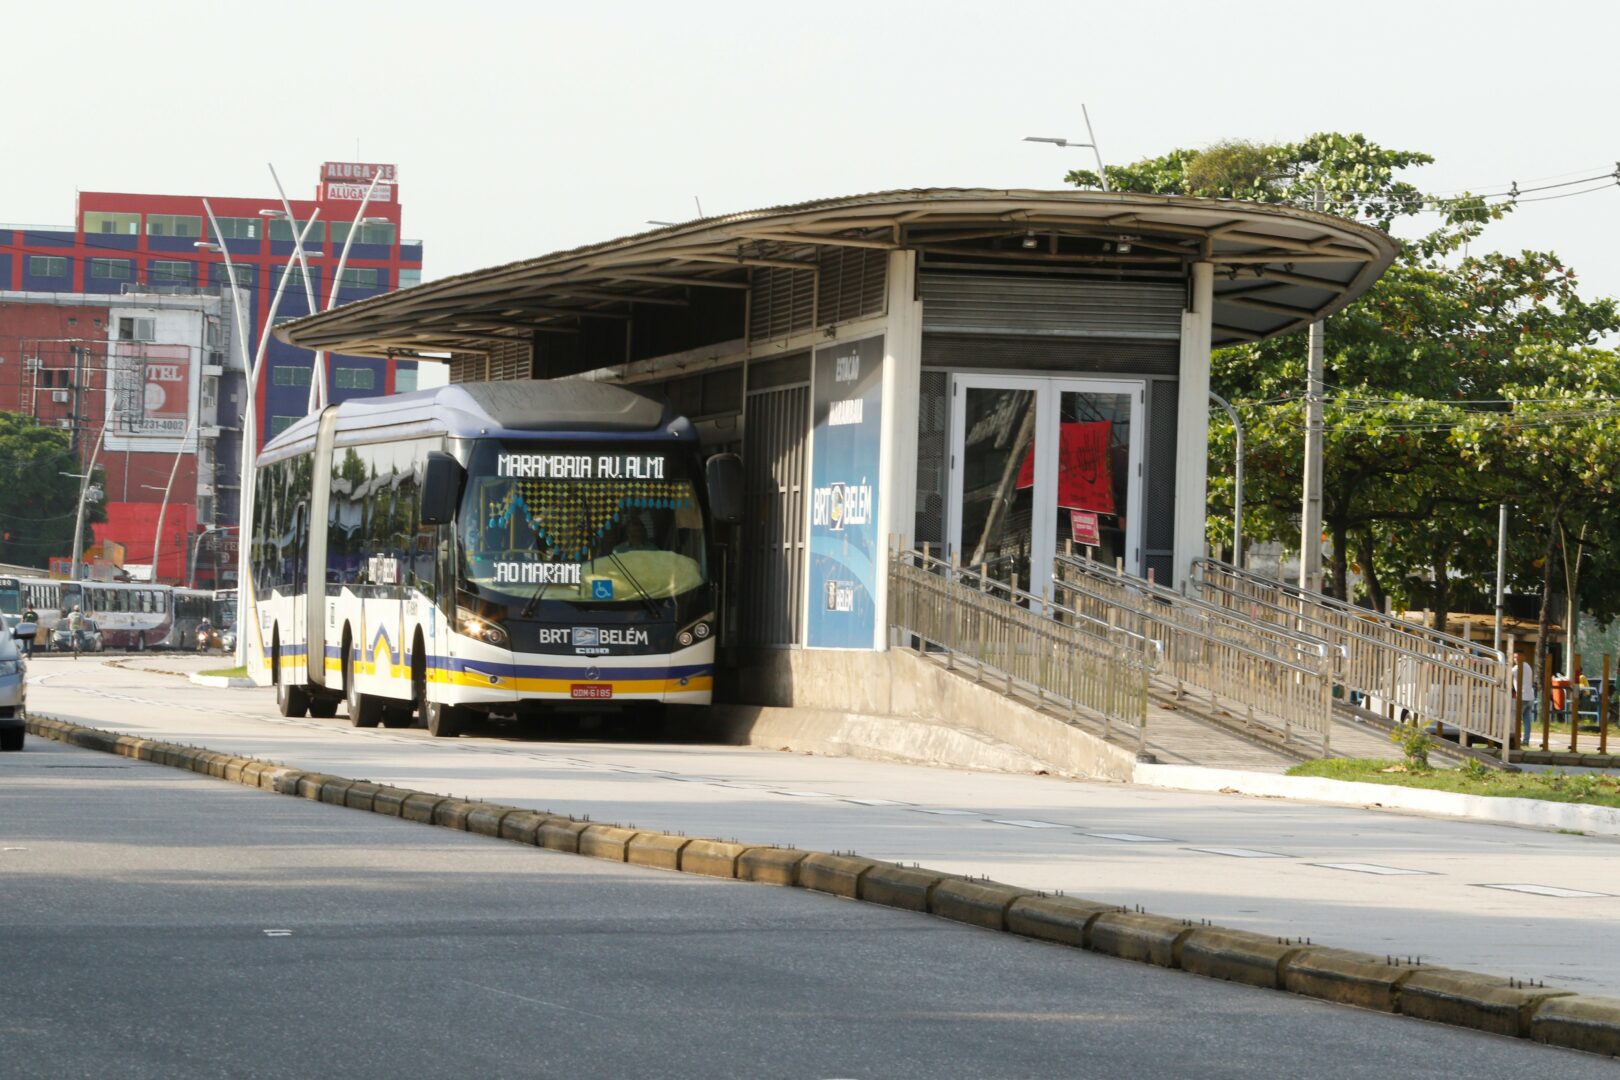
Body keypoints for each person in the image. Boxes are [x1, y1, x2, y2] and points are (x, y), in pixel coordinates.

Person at [1516, 653, 1538, 748]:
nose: (1515, 659)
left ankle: (1517, 739)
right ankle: (1526, 740)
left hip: (1522, 697)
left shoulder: (1516, 668)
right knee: (1527, 720)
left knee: (1516, 720)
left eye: (1516, 657)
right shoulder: (1528, 666)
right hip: (1530, 696)